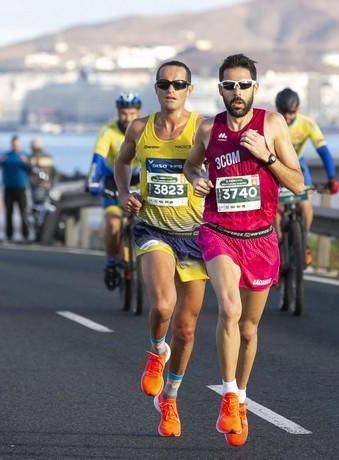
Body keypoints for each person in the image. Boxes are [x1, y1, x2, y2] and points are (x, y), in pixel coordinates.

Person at [183, 54, 304, 447]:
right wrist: (198, 181)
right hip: (218, 232)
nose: (237, 92)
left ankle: (243, 398)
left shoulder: (270, 125)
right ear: (220, 89)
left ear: (255, 87)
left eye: (243, 85)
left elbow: (298, 184)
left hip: (261, 238)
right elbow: (190, 168)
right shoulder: (207, 128)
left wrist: (266, 157)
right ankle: (229, 393)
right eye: (229, 85)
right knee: (229, 309)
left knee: (249, 330)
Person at [114, 61, 207, 438]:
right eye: (165, 83)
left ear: (189, 89)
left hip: (197, 234)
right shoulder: (140, 127)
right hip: (153, 227)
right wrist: (124, 193)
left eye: (179, 84)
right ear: (156, 88)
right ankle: (155, 352)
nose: (172, 89)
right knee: (164, 305)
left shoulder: (204, 127)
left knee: (185, 330)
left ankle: (169, 398)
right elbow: (121, 162)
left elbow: (226, 162)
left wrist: (210, 183)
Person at [274, 88, 339, 265]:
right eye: (283, 112)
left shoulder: (307, 124)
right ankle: (279, 243)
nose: (287, 117)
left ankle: (303, 241)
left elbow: (324, 152)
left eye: (292, 113)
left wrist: (332, 177)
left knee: (306, 204)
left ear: (298, 109)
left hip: (298, 164)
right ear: (277, 109)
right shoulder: (271, 123)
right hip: (277, 164)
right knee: (275, 207)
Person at [87, 93, 142, 289]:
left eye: (132, 113)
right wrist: (93, 180)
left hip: (138, 179)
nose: (128, 118)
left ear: (138, 112)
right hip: (113, 180)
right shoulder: (108, 132)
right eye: (124, 113)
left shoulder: (143, 129)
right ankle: (111, 262)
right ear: (118, 112)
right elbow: (98, 159)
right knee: (113, 224)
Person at [0, 135, 30, 242]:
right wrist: (0, 161)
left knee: (23, 212)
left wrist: (25, 162)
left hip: (21, 188)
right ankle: (9, 235)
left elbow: (30, 169)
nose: (16, 146)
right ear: (11, 145)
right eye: (14, 145)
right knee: (8, 213)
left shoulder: (24, 155)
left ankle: (25, 235)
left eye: (17, 145)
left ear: (20, 145)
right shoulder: (7, 155)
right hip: (8, 188)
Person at [28, 139, 56, 240]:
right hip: (48, 186)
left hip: (38, 187)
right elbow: (54, 172)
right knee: (47, 208)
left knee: (37, 210)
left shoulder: (33, 158)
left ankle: (38, 233)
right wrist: (50, 183)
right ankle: (47, 232)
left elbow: (30, 172)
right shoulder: (48, 157)